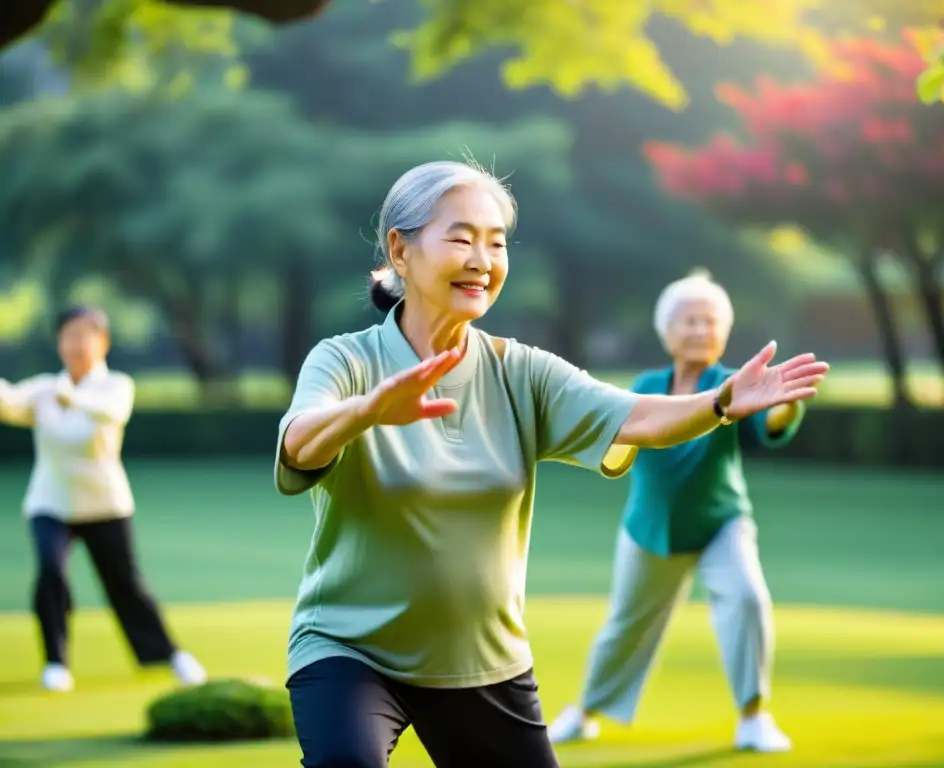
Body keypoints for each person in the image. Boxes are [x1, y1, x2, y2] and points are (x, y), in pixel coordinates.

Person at [274, 160, 829, 768]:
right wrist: (369, 410)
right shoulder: (343, 362)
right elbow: (301, 443)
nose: (483, 259)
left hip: (482, 661)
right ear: (400, 250)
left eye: (497, 242)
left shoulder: (522, 371)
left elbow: (637, 416)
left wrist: (720, 402)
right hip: (351, 651)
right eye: (461, 238)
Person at [548, 269, 805, 753]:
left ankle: (753, 717)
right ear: (668, 332)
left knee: (747, 598)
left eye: (710, 322)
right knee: (624, 625)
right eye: (689, 321)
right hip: (650, 529)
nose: (700, 330)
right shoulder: (647, 384)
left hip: (720, 524)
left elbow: (769, 420)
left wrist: (783, 404)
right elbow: (612, 433)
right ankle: (582, 711)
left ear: (723, 332)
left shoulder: (732, 383)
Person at [0, 306, 206, 693]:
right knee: (51, 571)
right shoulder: (44, 389)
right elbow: (8, 401)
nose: (76, 344)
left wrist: (70, 398)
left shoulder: (116, 386)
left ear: (103, 341)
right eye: (68, 336)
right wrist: (55, 394)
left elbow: (112, 413)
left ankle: (171, 654)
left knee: (125, 583)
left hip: (105, 503)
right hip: (50, 503)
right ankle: (56, 661)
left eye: (84, 335)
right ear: (59, 343)